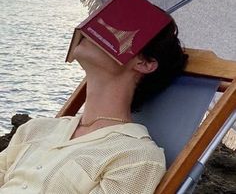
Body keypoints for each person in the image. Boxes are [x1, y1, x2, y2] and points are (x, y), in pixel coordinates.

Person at [0, 17, 187, 193]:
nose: (95, 29)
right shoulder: (35, 129)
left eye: (119, 28)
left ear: (144, 63)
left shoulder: (135, 156)